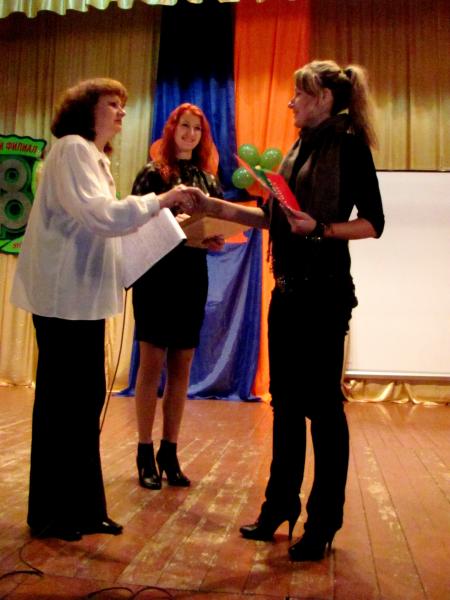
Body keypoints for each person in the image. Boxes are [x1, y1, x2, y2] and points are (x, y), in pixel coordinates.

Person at [191, 60, 385, 561]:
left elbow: (373, 223)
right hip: (288, 292)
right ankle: (280, 505)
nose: (291, 102)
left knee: (323, 409)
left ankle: (323, 522)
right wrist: (213, 206)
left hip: (325, 295)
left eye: (299, 94)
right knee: (285, 405)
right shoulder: (299, 146)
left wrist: (320, 229)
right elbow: (272, 217)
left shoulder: (349, 146)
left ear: (324, 99)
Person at [10, 78, 197, 542]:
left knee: (85, 401)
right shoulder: (73, 149)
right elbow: (101, 216)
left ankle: (84, 506)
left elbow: (108, 225)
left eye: (123, 105)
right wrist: (162, 200)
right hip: (63, 299)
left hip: (82, 298)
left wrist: (164, 224)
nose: (121, 112)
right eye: (112, 103)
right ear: (85, 110)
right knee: (62, 405)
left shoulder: (93, 157)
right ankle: (51, 514)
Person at [131, 103, 224, 491]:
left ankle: (169, 450)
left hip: (191, 275)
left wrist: (215, 237)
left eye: (197, 129)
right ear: (172, 130)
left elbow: (215, 224)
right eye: (184, 126)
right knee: (151, 362)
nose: (190, 134)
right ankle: (144, 451)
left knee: (182, 364)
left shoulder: (207, 179)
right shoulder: (153, 173)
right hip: (156, 275)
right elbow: (135, 222)